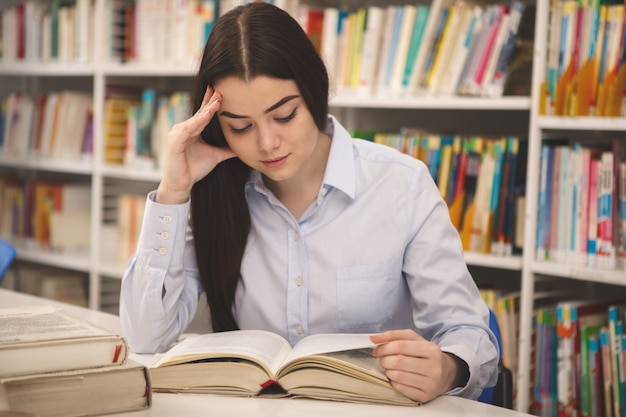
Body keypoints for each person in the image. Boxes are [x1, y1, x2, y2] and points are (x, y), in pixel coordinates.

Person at [120, 2, 499, 404]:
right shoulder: (216, 192)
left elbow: (469, 330)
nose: (267, 143)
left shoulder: (400, 184)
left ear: (315, 92)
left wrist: (447, 367)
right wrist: (173, 192)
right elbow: (145, 336)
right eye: (241, 127)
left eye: (284, 115)